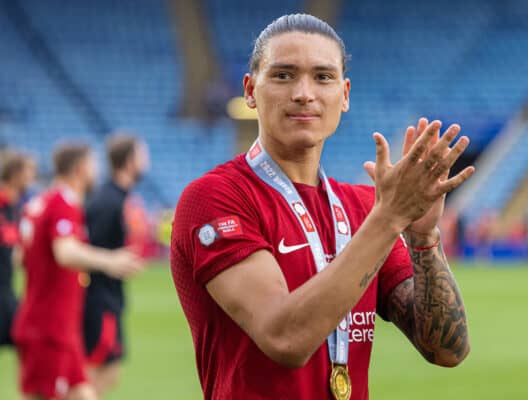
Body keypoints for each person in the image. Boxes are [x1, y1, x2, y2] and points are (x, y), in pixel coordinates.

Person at [171, 14, 474, 400]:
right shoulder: (215, 197)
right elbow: (285, 339)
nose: (304, 93)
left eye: (323, 77)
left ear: (344, 94)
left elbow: (447, 349)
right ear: (250, 90)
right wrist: (390, 219)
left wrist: (423, 236)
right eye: (283, 75)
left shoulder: (365, 208)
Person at [12, 143, 144, 400]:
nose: (97, 171)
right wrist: (108, 260)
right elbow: (65, 252)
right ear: (80, 168)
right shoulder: (63, 203)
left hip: (58, 324)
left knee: (84, 393)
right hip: (49, 327)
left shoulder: (41, 201)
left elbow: (21, 257)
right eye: (93, 164)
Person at [83, 134, 149, 397]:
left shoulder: (118, 197)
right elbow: (84, 247)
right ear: (130, 161)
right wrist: (111, 261)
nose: (146, 162)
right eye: (142, 156)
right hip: (99, 300)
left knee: (108, 373)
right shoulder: (107, 200)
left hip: (110, 297)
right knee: (93, 374)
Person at [0, 150, 36, 349]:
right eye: (28, 172)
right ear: (15, 173)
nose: (32, 178)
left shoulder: (17, 209)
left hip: (7, 293)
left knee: (30, 345)